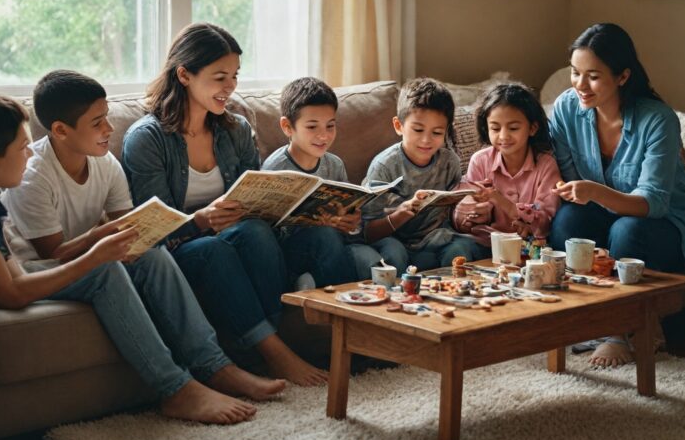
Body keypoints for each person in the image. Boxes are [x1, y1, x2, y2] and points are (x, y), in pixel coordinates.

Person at [0, 88, 279, 426]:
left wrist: (102, 241)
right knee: (106, 270)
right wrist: (94, 257)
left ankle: (215, 365)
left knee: (145, 253)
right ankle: (175, 388)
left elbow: (6, 267)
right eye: (23, 146)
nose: (30, 154)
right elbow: (7, 293)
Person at [122, 23, 328, 387]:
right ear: (184, 74)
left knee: (256, 231)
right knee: (215, 250)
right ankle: (274, 353)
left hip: (236, 235)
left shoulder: (235, 130)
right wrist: (200, 220)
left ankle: (259, 347)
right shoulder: (147, 140)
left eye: (234, 76)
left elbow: (255, 196)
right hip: (180, 248)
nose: (230, 87)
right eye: (220, 77)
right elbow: (153, 228)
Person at [548, 23, 685, 367]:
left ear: (622, 77)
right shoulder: (567, 109)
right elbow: (563, 174)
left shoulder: (658, 120)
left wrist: (594, 190)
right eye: (575, 73)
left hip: (665, 224)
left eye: (593, 76)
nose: (580, 85)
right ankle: (583, 317)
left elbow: (652, 203)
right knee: (567, 218)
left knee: (626, 229)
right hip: (604, 213)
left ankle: (620, 330)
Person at [262, 77, 392, 285]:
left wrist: (349, 222)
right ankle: (337, 303)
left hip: (332, 243)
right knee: (324, 236)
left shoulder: (334, 164)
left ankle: (315, 283)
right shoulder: (275, 168)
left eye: (330, 126)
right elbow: (268, 233)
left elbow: (349, 222)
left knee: (374, 260)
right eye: (312, 127)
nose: (323, 135)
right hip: (291, 252)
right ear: (287, 127)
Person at [360, 77, 482, 272]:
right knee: (394, 254)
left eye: (436, 132)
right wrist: (400, 215)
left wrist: (470, 205)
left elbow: (453, 210)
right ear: (399, 126)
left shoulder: (449, 162)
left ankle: (451, 299)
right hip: (393, 239)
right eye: (418, 130)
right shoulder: (384, 165)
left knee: (461, 249)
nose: (426, 140)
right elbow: (367, 231)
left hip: (434, 240)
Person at [452, 82, 561, 257]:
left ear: (532, 128)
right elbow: (462, 211)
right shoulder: (480, 161)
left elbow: (545, 221)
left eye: (513, 128)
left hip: (528, 247)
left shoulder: (546, 165)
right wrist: (472, 215)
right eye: (495, 128)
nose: (503, 136)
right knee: (457, 249)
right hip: (484, 242)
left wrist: (501, 201)